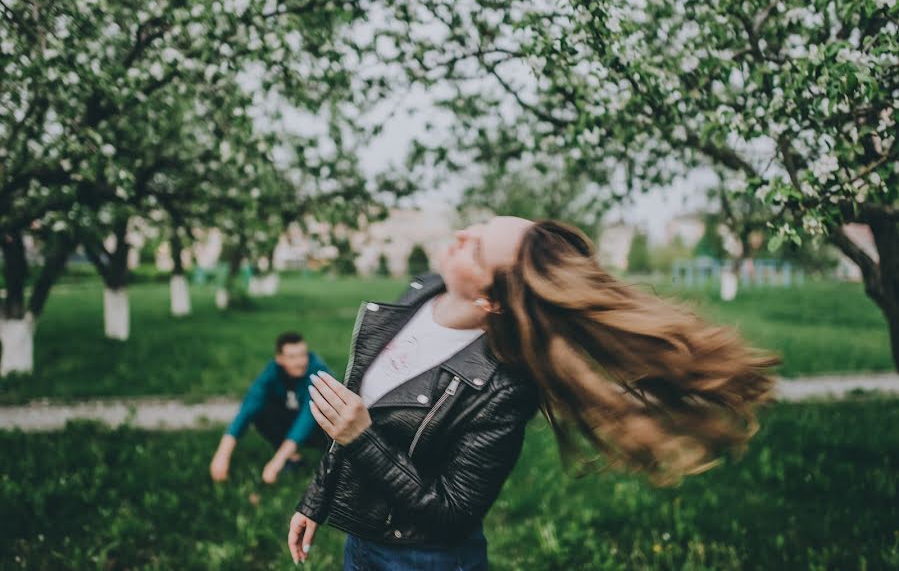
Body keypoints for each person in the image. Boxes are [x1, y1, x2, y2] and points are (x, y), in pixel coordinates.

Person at [287, 217, 778, 569]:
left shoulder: (503, 388)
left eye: (476, 250)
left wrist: (363, 438)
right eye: (479, 227)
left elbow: (453, 512)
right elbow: (356, 409)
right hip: (362, 542)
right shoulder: (421, 293)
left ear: (490, 299)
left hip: (423, 559)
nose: (462, 235)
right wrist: (316, 499)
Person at [210, 331, 332, 484]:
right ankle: (293, 458)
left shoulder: (317, 371)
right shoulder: (272, 371)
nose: (300, 362)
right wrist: (222, 455)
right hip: (293, 417)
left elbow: (306, 419)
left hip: (321, 427)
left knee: (317, 419)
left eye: (302, 355)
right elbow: (248, 407)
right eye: (292, 357)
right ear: (279, 359)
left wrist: (276, 463)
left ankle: (331, 462)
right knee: (261, 412)